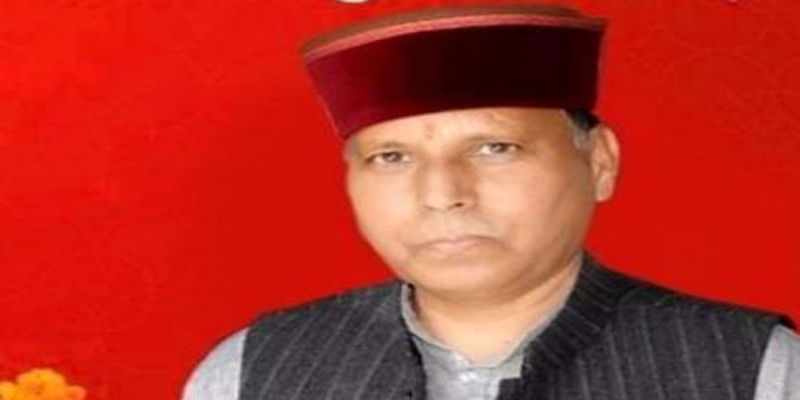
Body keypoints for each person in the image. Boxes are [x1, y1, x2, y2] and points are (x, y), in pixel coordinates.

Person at [182, 4, 799, 400]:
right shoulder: (253, 372)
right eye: (392, 157)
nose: (442, 194)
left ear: (599, 162)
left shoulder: (754, 370)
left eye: (494, 148)